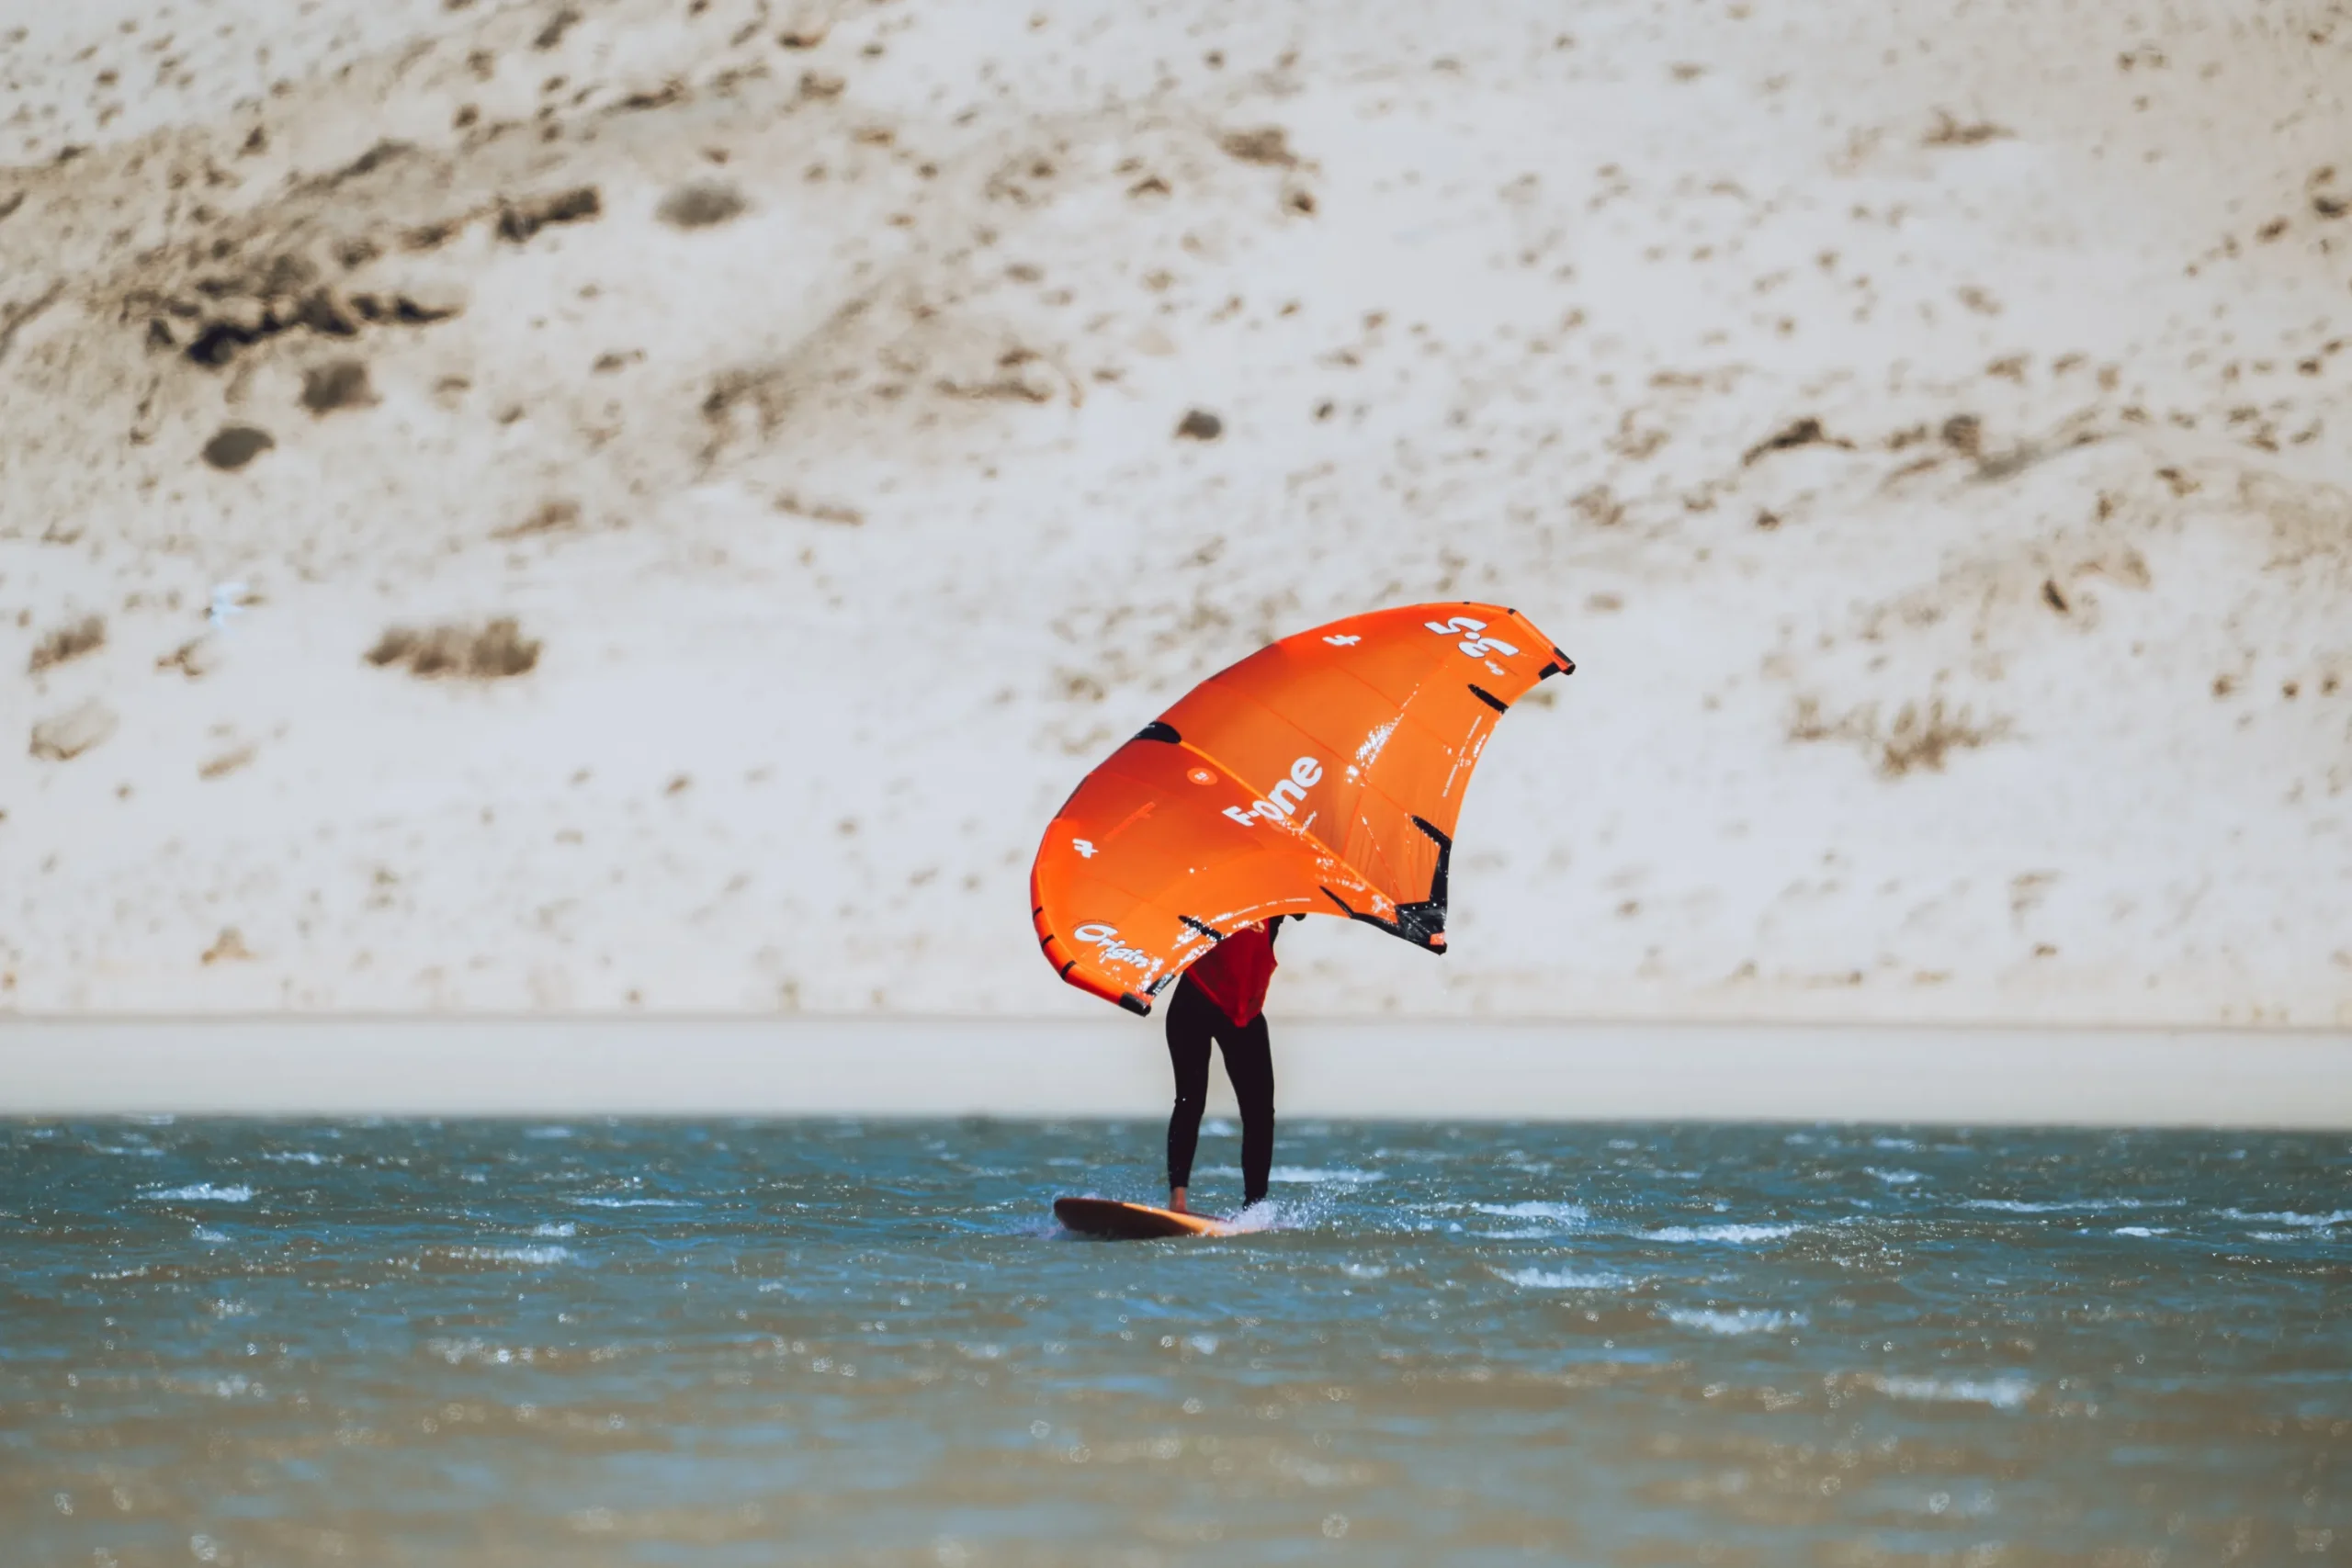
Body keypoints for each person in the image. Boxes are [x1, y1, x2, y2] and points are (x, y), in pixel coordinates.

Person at [1164, 914, 1299, 1214]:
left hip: (1245, 1012)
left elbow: (1305, 895)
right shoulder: (1214, 884)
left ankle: (1255, 1209)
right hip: (1195, 1000)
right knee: (1189, 1100)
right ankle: (1178, 1201)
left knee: (1260, 1114)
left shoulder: (1276, 896)